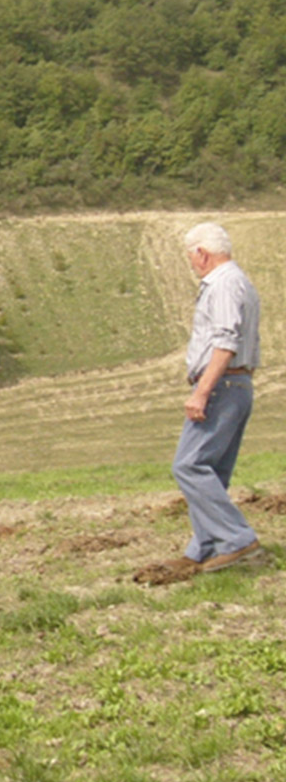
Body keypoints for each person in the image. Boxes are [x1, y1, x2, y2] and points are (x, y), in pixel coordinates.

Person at [167, 221, 261, 575]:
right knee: (212, 472)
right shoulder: (241, 282)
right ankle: (203, 547)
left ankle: (237, 539)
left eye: (191, 256)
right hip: (237, 385)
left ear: (201, 253)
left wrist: (202, 392)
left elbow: (225, 341)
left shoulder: (221, 285)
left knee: (188, 465)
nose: (191, 264)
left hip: (222, 385)